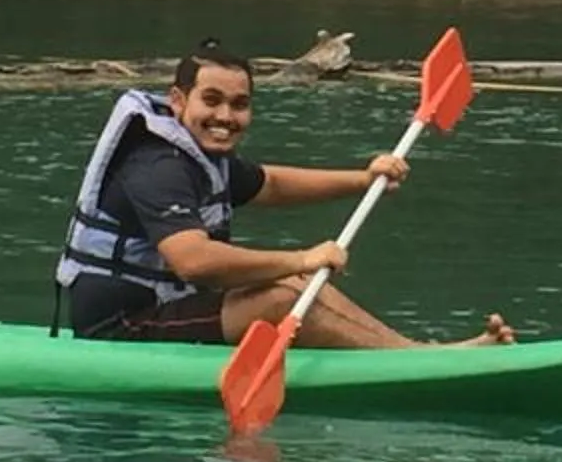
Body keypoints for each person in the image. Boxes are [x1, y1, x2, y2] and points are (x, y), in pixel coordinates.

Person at [55, 39, 517, 349]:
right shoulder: (157, 167)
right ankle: (422, 363)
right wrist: (300, 258)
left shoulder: (199, 155)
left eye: (239, 104)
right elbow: (193, 261)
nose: (226, 116)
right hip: (120, 328)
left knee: (293, 287)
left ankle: (418, 354)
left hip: (164, 306)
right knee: (281, 297)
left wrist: (363, 177)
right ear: (178, 102)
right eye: (211, 100)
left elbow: (270, 184)